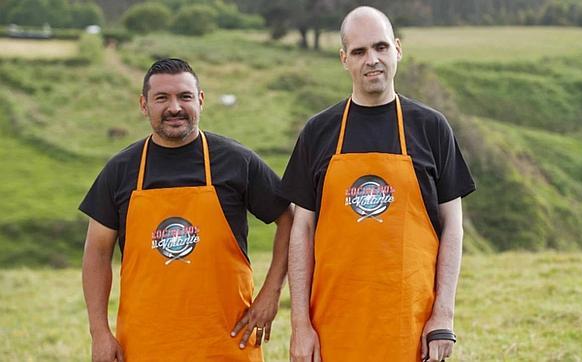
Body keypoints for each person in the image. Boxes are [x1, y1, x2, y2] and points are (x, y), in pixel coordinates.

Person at [282, 6, 475, 362]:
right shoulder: (318, 132)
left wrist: (443, 315)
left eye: (381, 47)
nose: (372, 60)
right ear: (344, 59)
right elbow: (302, 230)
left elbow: (453, 226)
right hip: (332, 328)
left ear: (397, 49)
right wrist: (300, 325)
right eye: (359, 51)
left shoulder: (431, 128)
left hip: (411, 327)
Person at [80, 58, 292, 362]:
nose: (175, 107)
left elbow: (288, 219)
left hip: (226, 341)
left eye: (185, 96)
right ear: (144, 105)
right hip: (145, 344)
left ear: (201, 100)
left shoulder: (236, 161)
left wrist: (271, 292)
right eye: (162, 98)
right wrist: (99, 333)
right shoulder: (121, 170)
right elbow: (97, 253)